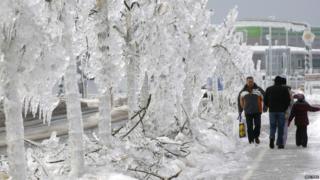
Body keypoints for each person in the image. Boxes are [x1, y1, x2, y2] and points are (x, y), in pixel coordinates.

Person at [264, 76, 291, 149]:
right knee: (280, 127)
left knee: (272, 126)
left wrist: (269, 106)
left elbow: (265, 100)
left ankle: (271, 140)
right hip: (281, 111)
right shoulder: (284, 89)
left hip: (272, 111)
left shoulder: (269, 89)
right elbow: (288, 100)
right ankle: (280, 143)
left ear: (274, 81)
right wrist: (284, 108)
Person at [238, 76, 265, 144]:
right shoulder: (243, 91)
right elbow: (240, 101)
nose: (250, 83)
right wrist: (241, 110)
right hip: (248, 111)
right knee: (249, 127)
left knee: (258, 125)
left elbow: (265, 98)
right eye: (249, 81)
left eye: (251, 81)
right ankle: (251, 140)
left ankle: (256, 137)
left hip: (257, 111)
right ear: (246, 82)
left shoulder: (258, 89)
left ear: (253, 81)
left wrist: (265, 107)